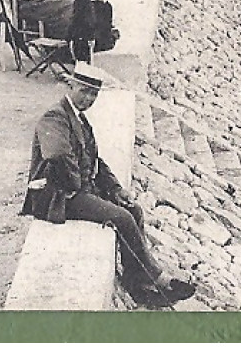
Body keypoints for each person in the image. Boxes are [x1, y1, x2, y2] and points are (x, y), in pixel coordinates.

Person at [20, 63, 195, 308]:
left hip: (77, 189)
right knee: (122, 218)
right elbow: (57, 157)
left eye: (94, 94)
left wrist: (115, 188)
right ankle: (156, 277)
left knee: (133, 210)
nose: (88, 98)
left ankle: (138, 283)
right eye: (84, 91)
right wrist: (83, 187)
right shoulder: (55, 117)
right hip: (58, 195)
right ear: (71, 86)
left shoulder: (78, 118)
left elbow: (95, 159)